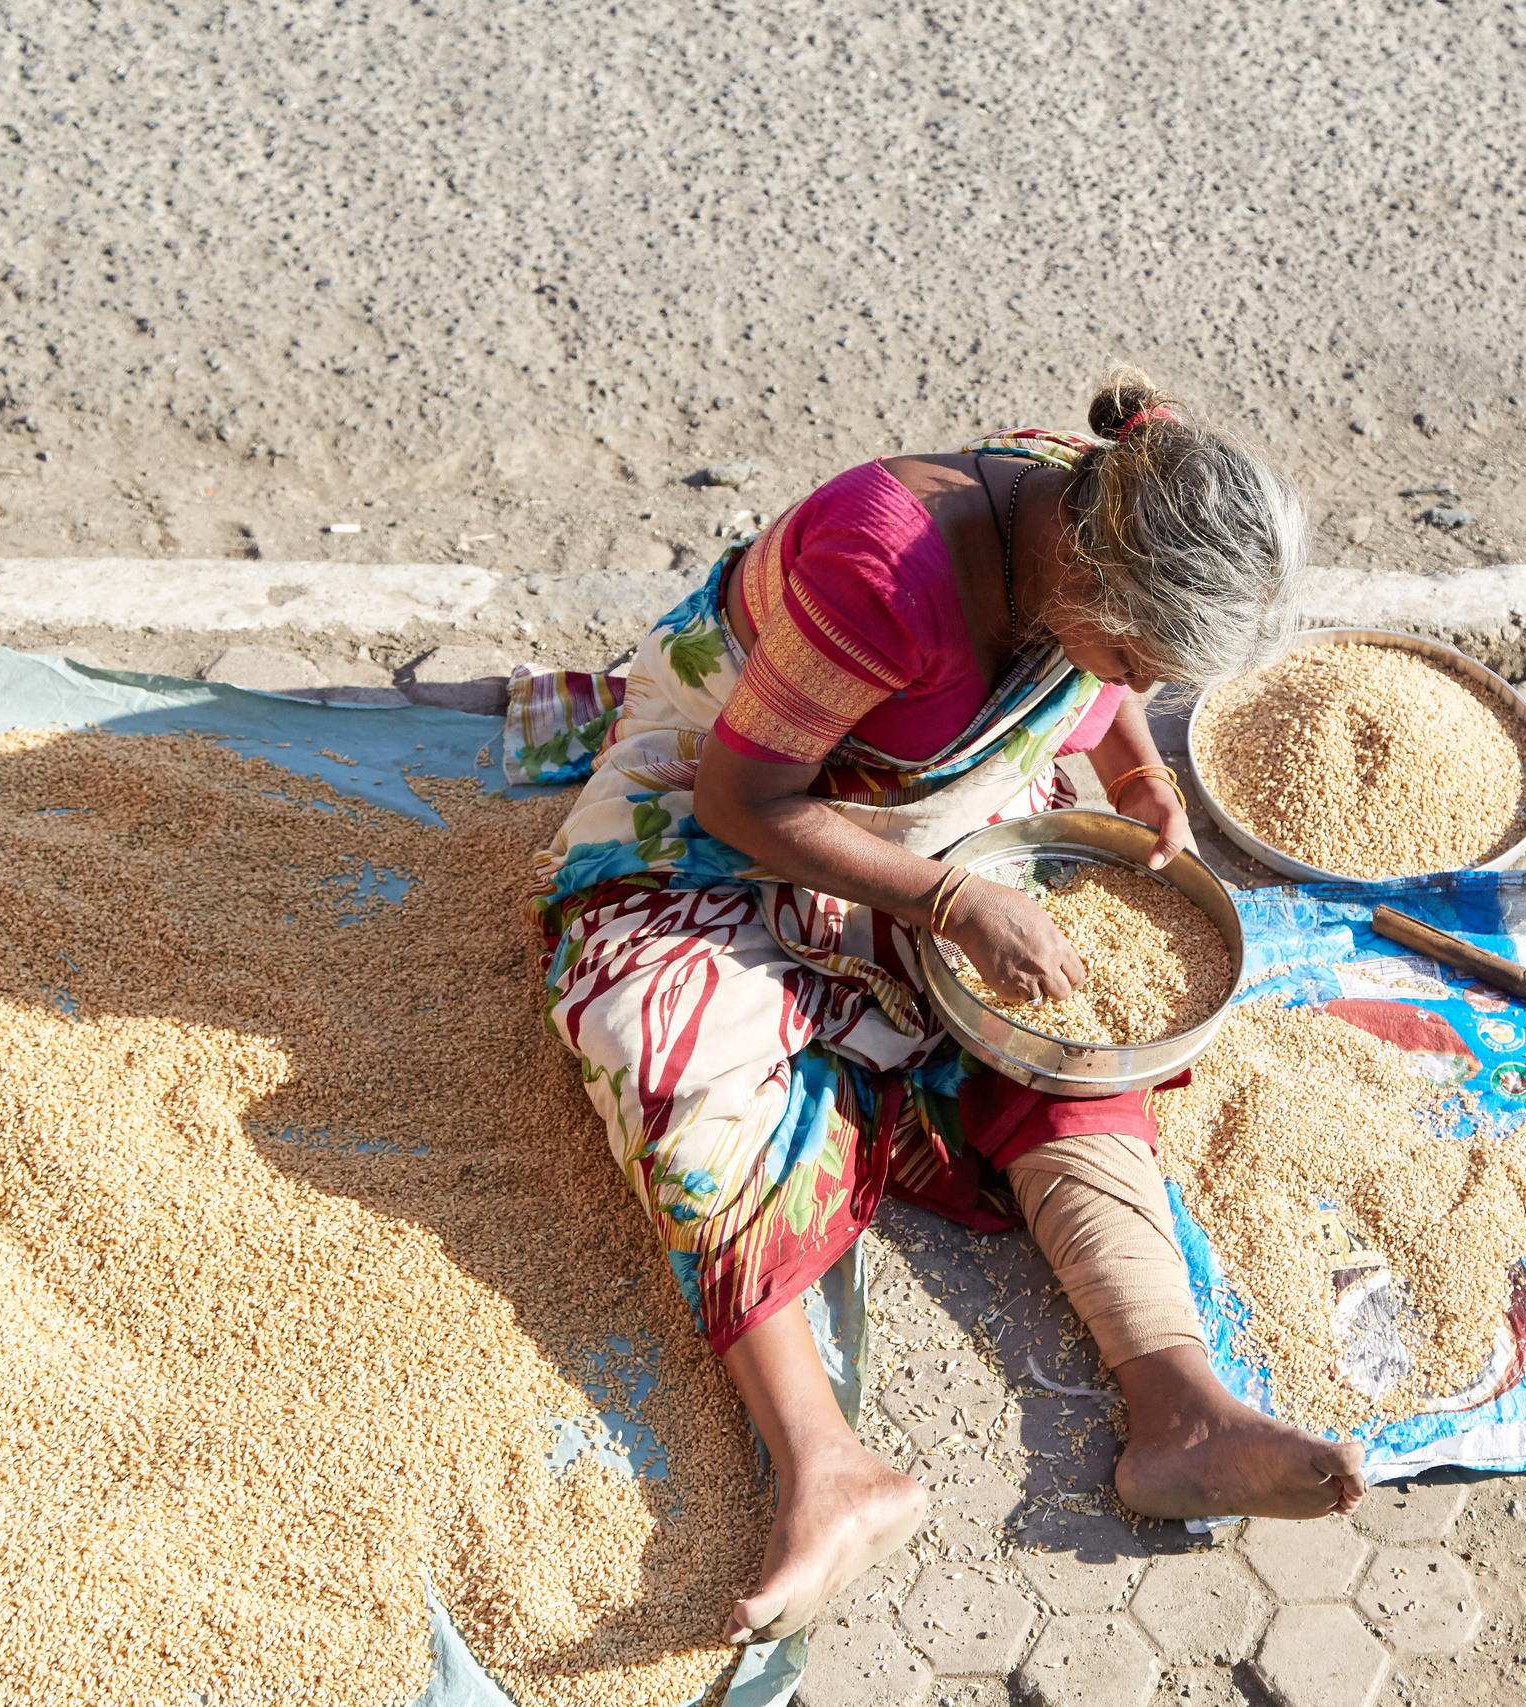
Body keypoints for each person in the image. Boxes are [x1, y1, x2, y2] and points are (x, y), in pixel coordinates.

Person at [524, 373, 1365, 1647]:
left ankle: (1182, 1408)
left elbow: (1102, 691)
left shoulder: (1113, 498)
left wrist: (1134, 770)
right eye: (1137, 658)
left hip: (925, 819)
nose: (1133, 682)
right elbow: (744, 805)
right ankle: (824, 1466)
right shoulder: (884, 569)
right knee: (657, 1044)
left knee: (1073, 1030)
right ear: (1082, 581)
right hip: (726, 803)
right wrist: (951, 905)